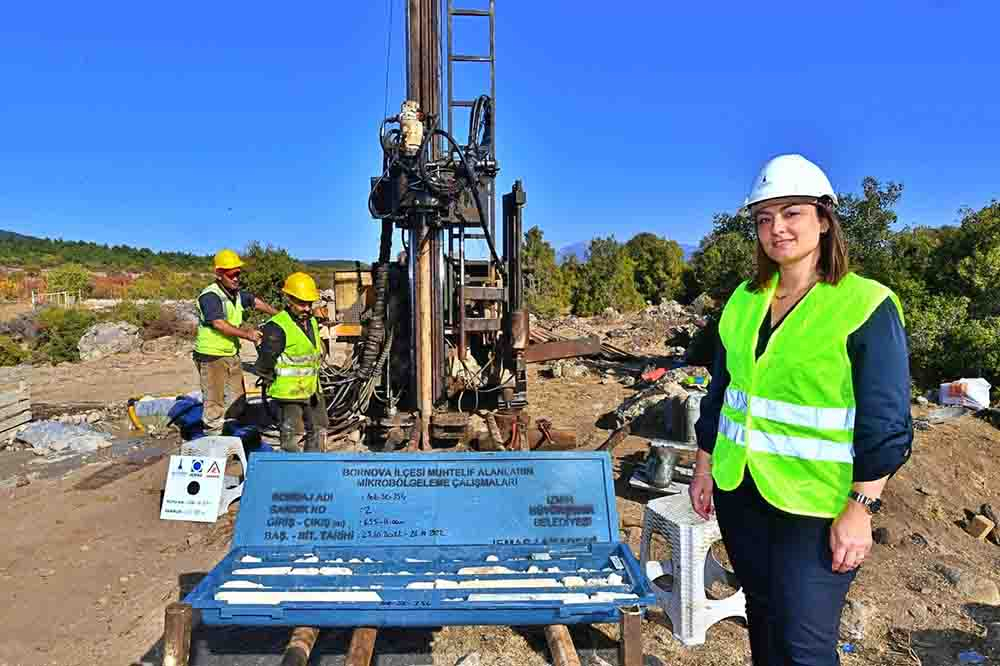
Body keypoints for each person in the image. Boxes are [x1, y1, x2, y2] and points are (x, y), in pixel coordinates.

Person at [689, 154, 912, 666]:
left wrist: (863, 508)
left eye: (791, 213)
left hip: (816, 505)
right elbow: (722, 393)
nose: (777, 229)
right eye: (764, 219)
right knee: (763, 619)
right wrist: (704, 466)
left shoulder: (865, 305)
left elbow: (887, 423)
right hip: (740, 492)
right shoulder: (744, 301)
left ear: (824, 219)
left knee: (803, 645)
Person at [194, 249, 278, 434]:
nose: (236, 278)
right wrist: (247, 334)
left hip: (231, 353)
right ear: (219, 273)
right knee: (214, 400)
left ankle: (234, 431)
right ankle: (213, 438)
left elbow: (255, 302)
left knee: (237, 398)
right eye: (232, 274)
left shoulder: (236, 293)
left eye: (238, 273)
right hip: (211, 356)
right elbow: (218, 323)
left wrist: (279, 316)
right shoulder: (210, 296)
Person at [254, 272, 329, 452]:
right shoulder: (277, 326)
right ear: (289, 299)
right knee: (291, 438)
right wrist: (274, 382)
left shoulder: (310, 321)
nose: (306, 308)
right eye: (301, 303)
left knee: (318, 430)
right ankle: (294, 471)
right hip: (289, 395)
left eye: (309, 303)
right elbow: (264, 365)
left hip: (311, 390)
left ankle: (313, 466)